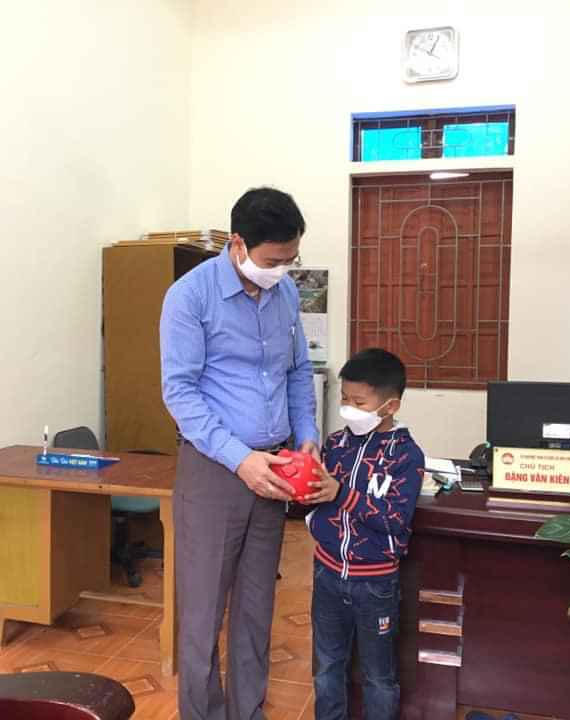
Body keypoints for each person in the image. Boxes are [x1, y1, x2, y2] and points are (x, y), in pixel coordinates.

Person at [159, 187, 318, 720]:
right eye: (273, 261)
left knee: (256, 607)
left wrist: (306, 433)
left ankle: (247, 711)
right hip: (214, 472)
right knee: (202, 611)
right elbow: (180, 393)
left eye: (290, 259)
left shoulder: (286, 293)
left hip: (274, 468)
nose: (281, 270)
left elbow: (298, 371)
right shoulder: (190, 297)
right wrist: (239, 459)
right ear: (237, 244)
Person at [299, 348, 425, 720]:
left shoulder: (406, 456)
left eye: (359, 402)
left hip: (375, 584)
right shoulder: (336, 444)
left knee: (378, 676)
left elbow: (395, 520)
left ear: (390, 406)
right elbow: (316, 497)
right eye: (344, 399)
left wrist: (342, 493)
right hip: (327, 574)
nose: (348, 408)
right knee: (326, 667)